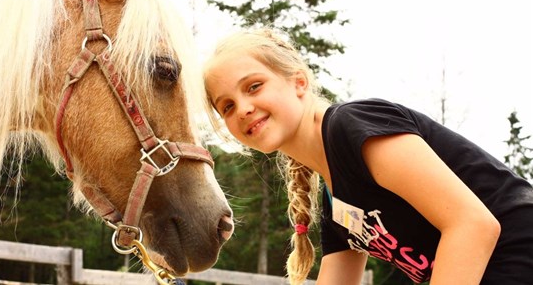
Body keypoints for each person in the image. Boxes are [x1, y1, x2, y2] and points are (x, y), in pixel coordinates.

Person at [202, 27, 533, 285]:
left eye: (254, 86)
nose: (242, 108)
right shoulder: (336, 202)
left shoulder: (353, 127)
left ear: (299, 82)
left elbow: (473, 224)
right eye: (227, 106)